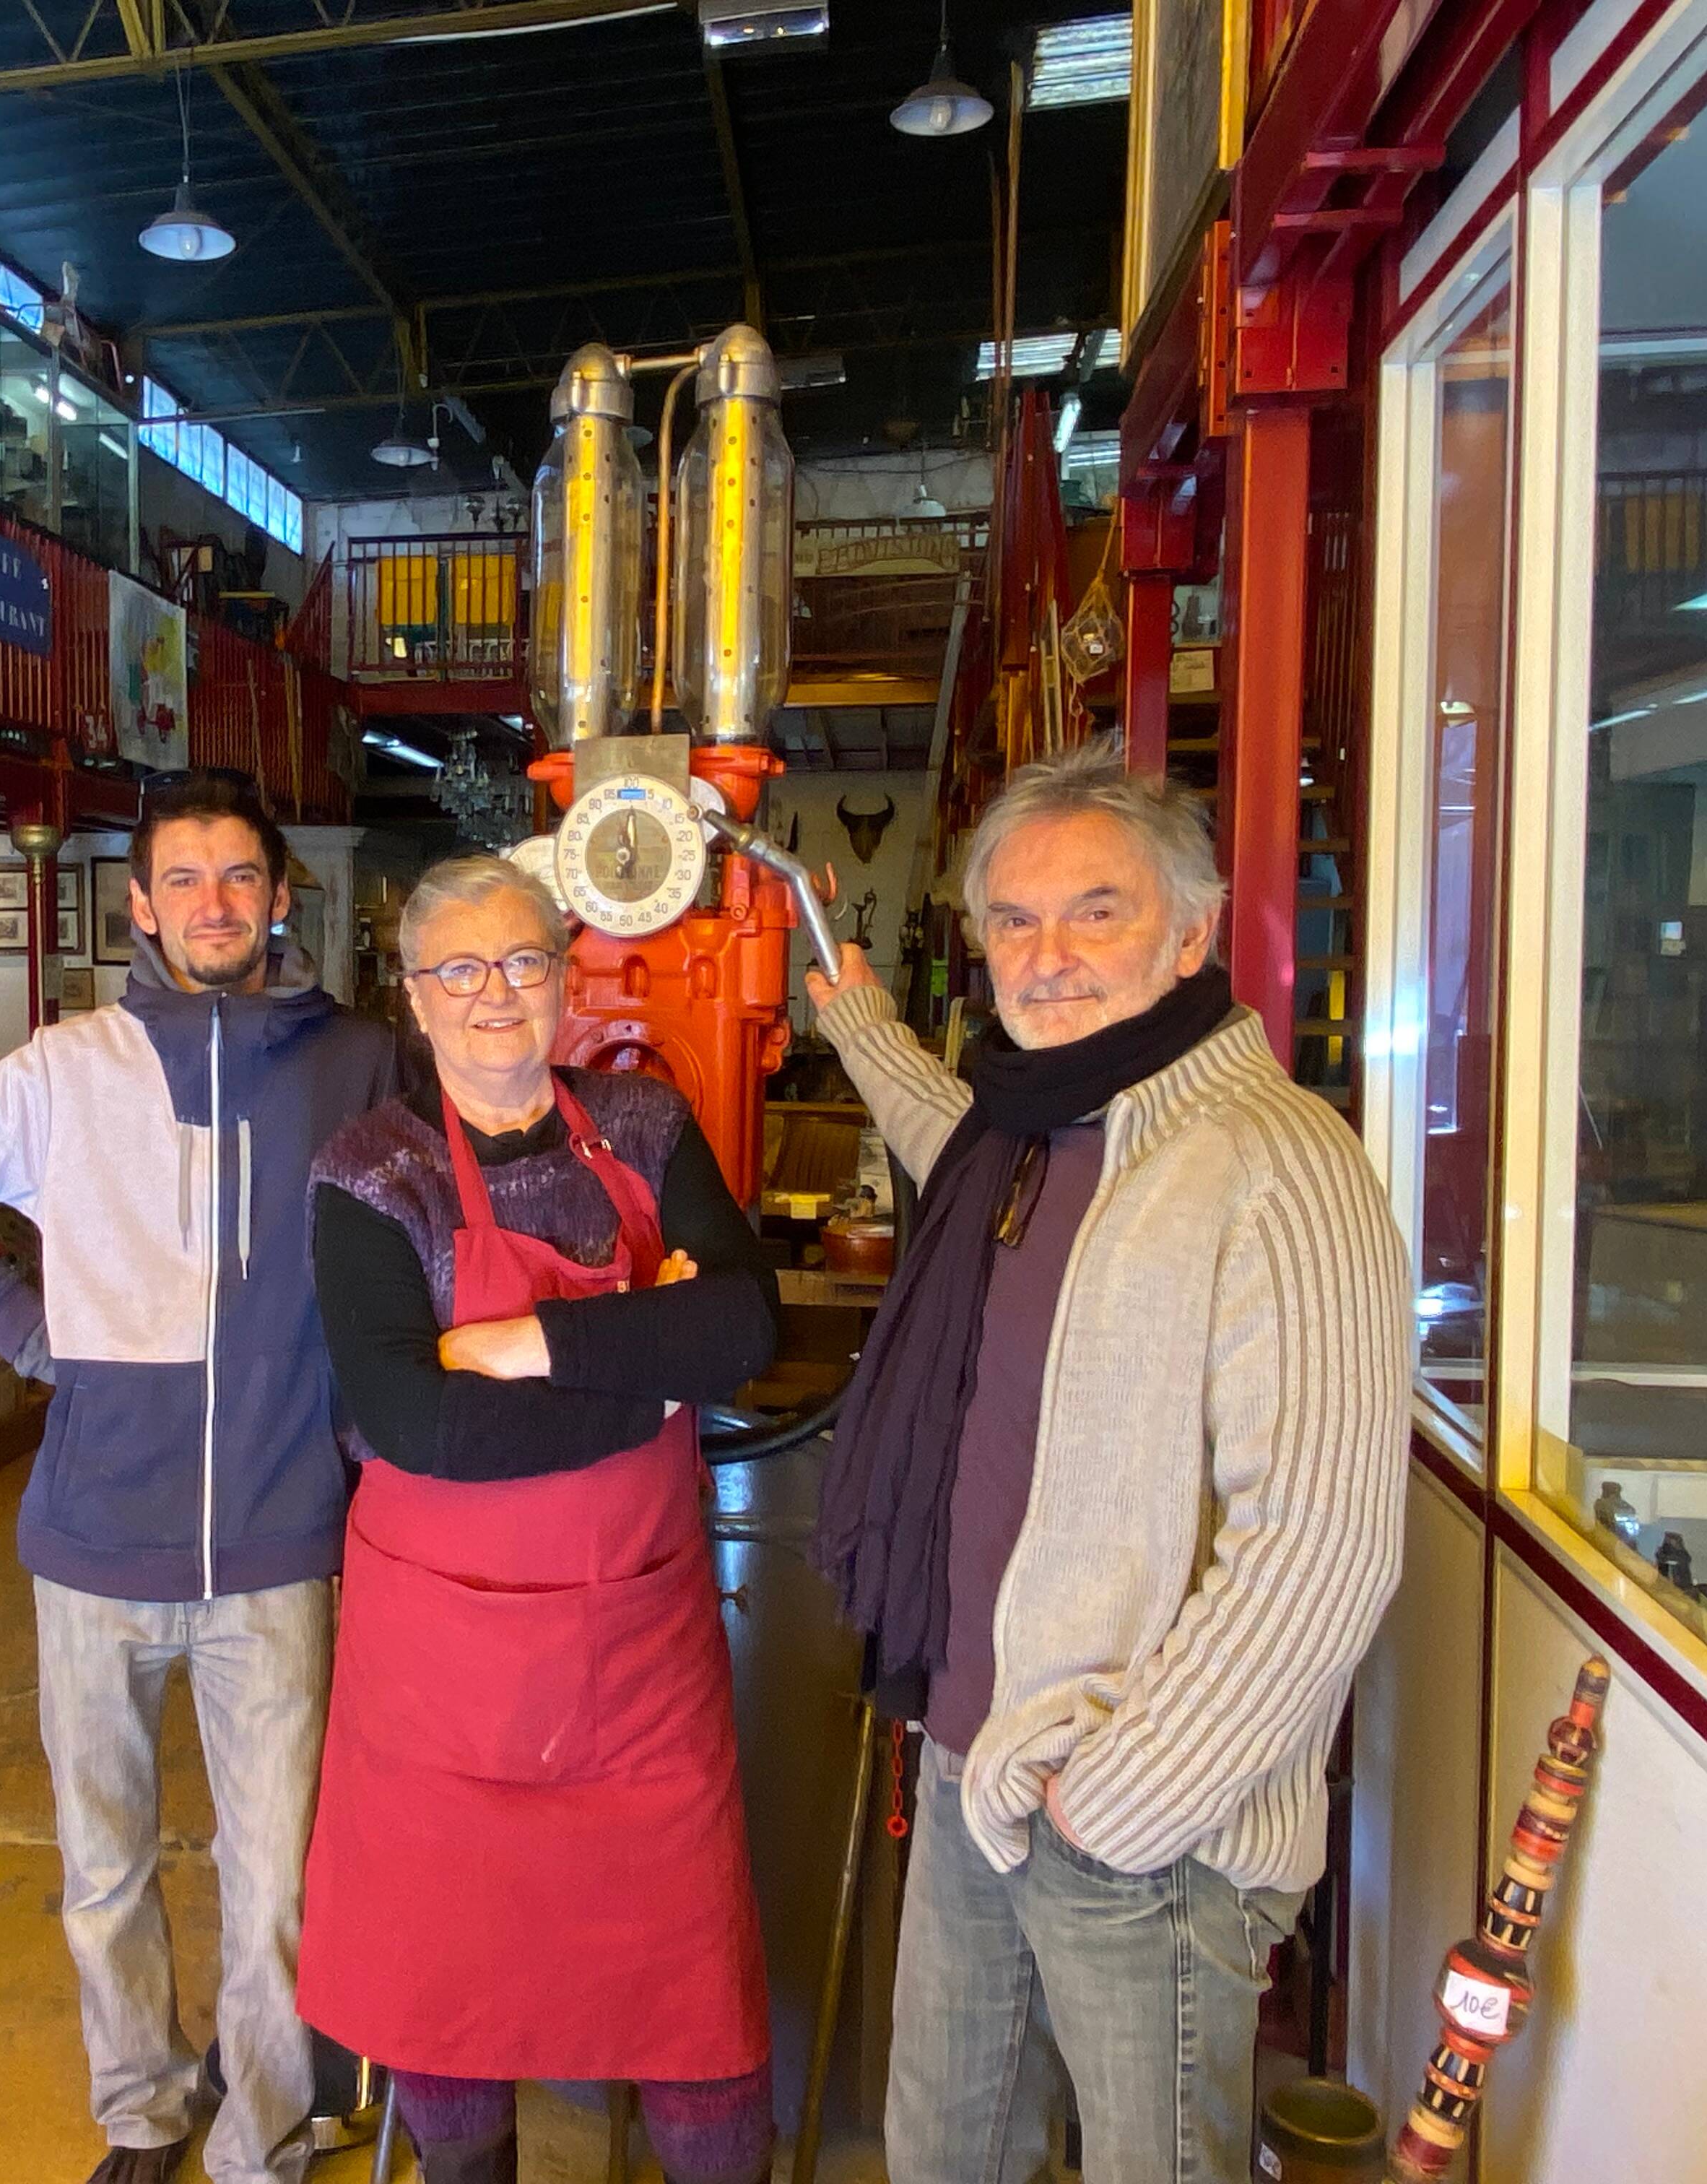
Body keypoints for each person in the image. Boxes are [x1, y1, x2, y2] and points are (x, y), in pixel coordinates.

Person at [803, 737, 1407, 2184]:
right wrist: (856, 1019)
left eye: (1096, 913)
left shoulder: (1276, 1161)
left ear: (1191, 933)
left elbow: (1322, 1547)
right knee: (943, 2157)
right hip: (974, 1761)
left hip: (1142, 1821)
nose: (1048, 956)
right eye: (1014, 920)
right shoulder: (1028, 1138)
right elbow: (945, 1129)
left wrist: (1121, 1802)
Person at [0, 771, 399, 2184]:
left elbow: (411, 1250)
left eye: (239, 876)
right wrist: (32, 1331)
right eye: (183, 880)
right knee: (104, 1871)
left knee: (276, 1884)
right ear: (141, 906)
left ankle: (262, 2141)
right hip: (94, 1540)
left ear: (280, 895)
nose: (214, 903)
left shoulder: (358, 1064)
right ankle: (142, 2106)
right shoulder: (67, 1067)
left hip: (278, 1535)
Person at [302, 854, 782, 2184]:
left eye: (522, 961)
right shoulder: (368, 1172)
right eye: (459, 969)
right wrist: (648, 1368)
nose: (495, 993)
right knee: (448, 1994)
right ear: (413, 995)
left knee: (692, 1995)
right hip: (440, 1675)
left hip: (640, 1657)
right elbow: (421, 1424)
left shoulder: (643, 1123)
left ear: (566, 980)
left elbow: (743, 1326)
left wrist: (530, 1345)